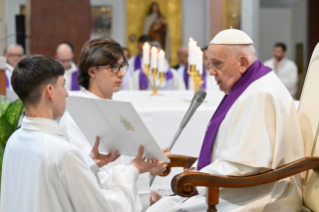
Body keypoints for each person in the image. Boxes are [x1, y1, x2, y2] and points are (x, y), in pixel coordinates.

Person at [146, 29, 304, 212]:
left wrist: (200, 177)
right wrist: (199, 173)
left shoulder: (260, 94)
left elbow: (246, 165)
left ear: (242, 63)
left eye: (217, 64)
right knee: (159, 206)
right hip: (238, 186)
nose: (211, 72)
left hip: (261, 194)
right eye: (210, 64)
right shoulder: (250, 86)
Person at [1, 55, 159, 212]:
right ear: (50, 91)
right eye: (62, 85)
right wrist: (133, 169)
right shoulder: (63, 152)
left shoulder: (14, 140)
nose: (67, 93)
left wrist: (89, 164)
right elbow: (105, 208)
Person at [59, 38, 171, 211]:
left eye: (121, 66)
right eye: (113, 67)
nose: (121, 74)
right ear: (92, 71)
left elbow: (126, 166)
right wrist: (139, 172)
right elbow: (87, 176)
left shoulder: (116, 110)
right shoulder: (76, 115)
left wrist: (148, 170)